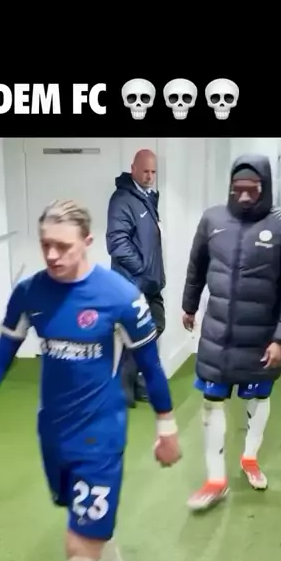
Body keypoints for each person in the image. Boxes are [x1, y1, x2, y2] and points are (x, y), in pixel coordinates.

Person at [0, 199, 181, 561]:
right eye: (45, 244)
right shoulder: (30, 293)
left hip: (100, 435)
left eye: (63, 246)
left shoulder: (121, 297)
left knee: (78, 547)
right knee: (84, 516)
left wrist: (166, 426)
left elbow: (151, 367)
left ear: (87, 242)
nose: (51, 254)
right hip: (53, 431)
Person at [181, 154, 281, 512]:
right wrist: (189, 305)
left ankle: (249, 458)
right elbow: (197, 266)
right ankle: (215, 479)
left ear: (264, 187)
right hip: (217, 336)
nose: (243, 196)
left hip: (261, 338)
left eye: (251, 190)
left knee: (258, 399)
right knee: (211, 402)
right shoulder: (212, 220)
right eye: (237, 189)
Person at [106, 149, 166, 406]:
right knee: (138, 331)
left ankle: (133, 383)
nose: (149, 176)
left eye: (153, 172)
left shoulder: (147, 197)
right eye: (145, 171)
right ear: (133, 169)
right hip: (131, 282)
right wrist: (141, 268)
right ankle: (123, 387)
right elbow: (116, 242)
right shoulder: (122, 200)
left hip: (149, 282)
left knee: (155, 325)